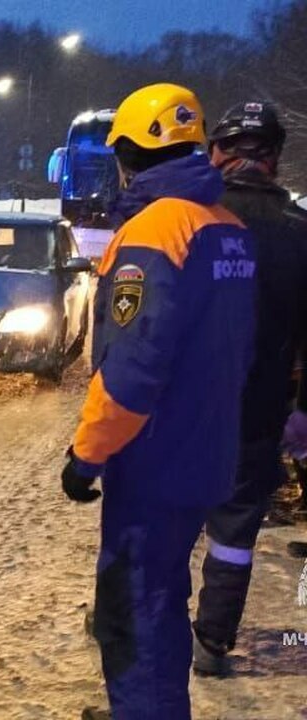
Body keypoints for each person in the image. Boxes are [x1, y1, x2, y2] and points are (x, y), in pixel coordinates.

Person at [61, 84, 257, 718]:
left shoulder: (154, 232)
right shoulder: (227, 229)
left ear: (127, 155)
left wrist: (86, 455)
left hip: (154, 466)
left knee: (133, 613)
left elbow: (133, 371)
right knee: (162, 603)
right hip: (206, 455)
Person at [191, 101, 307, 676]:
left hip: (186, 414)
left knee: (165, 523)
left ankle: (140, 625)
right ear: (276, 161)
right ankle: (212, 643)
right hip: (259, 415)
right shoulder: (300, 234)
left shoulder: (189, 220)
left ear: (218, 154)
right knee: (234, 532)